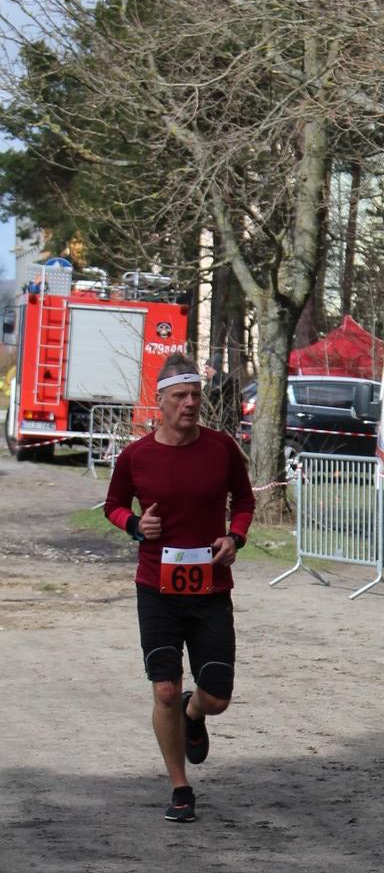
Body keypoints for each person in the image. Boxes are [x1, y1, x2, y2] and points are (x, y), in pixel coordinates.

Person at [104, 351, 255, 822]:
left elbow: (244, 501)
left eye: (196, 396)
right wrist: (134, 524)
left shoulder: (221, 448)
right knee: (165, 690)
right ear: (161, 401)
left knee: (218, 698)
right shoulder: (136, 456)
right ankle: (180, 787)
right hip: (157, 590)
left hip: (210, 591)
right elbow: (112, 504)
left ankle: (195, 714)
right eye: (181, 396)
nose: (190, 403)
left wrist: (234, 537)